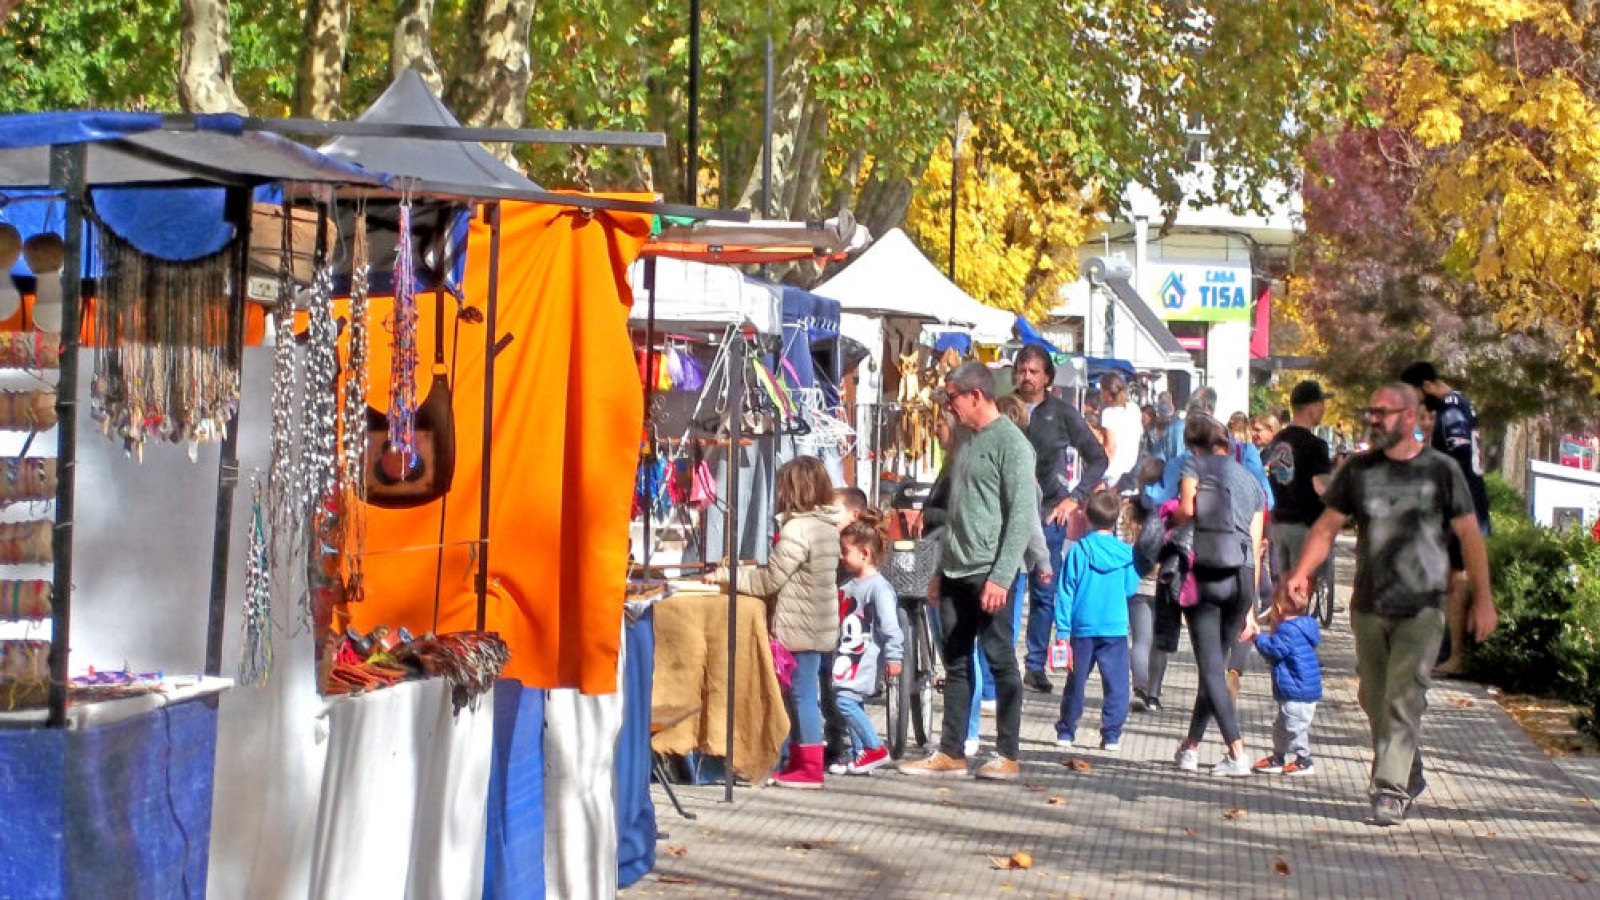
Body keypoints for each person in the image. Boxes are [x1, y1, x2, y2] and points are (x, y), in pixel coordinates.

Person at [1279, 383, 1495, 826]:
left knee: (1403, 695)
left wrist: (1484, 600)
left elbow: (1470, 536)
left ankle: (1389, 788)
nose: (1373, 420)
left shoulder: (1441, 471)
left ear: (1410, 416)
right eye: (1370, 412)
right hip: (1370, 603)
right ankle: (1408, 765)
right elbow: (1325, 527)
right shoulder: (1360, 471)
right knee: (1373, 694)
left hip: (1423, 606)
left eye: (1383, 412)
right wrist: (1301, 573)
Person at [899, 361, 1038, 781]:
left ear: (975, 395)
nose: (948, 405)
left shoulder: (1011, 444)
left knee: (1000, 660)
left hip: (990, 571)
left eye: (951, 397)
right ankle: (951, 751)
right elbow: (954, 512)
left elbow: (1019, 518)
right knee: (956, 663)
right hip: (956, 568)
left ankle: (1008, 754)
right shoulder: (961, 440)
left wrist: (1002, 575)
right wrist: (939, 570)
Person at [711, 455, 841, 789]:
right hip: (817, 622)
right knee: (802, 693)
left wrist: (727, 577)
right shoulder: (826, 526)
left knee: (800, 696)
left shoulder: (798, 529)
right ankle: (798, 761)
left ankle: (809, 768)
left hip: (800, 626)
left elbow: (771, 579)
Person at [1169, 414, 1267, 777]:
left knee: (1211, 667)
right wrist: (1252, 608)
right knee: (1214, 668)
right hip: (1241, 574)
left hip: (1207, 570)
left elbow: (1188, 508)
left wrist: (1168, 518)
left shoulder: (1194, 464)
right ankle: (1190, 747)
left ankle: (1237, 751)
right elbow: (1256, 547)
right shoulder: (1253, 483)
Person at [1011, 343, 1108, 695]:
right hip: (1008, 513)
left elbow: (1098, 458)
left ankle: (1034, 664)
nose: (1026, 377)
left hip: (1048, 513)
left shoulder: (1062, 413)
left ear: (1048, 377)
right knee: (1006, 589)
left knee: (1044, 592)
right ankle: (1002, 664)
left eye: (1033, 371)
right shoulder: (1005, 409)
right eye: (1022, 370)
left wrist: (1074, 498)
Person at [1399, 362, 1491, 678]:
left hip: (1462, 508)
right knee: (1451, 578)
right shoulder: (1461, 403)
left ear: (1425, 386)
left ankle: (1456, 655)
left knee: (1457, 578)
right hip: (1464, 505)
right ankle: (1447, 649)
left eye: (1414, 394)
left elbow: (1458, 461)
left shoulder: (1451, 410)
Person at [1051, 490, 1138, 751]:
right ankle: (1111, 734)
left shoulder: (1078, 551)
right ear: (1116, 519)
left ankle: (1066, 731)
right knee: (1117, 683)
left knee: (1076, 682)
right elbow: (1130, 588)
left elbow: (1066, 590)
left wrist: (1062, 629)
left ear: (1087, 516)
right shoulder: (1127, 554)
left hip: (1082, 626)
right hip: (1114, 626)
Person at [829, 509, 904, 775]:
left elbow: (889, 626)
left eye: (845, 551)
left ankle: (874, 747)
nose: (841, 556)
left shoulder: (879, 587)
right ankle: (858, 752)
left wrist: (894, 656)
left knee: (844, 701)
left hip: (864, 657)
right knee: (850, 700)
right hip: (847, 655)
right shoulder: (849, 584)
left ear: (865, 553)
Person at [1265, 381, 1336, 607]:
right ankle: (1292, 640)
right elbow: (1322, 488)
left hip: (1280, 522)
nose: (1324, 408)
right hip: (1305, 526)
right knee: (1298, 594)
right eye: (1321, 403)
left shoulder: (1278, 440)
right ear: (1311, 407)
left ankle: (1279, 635)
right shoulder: (1315, 445)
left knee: (1282, 591)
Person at [1122, 458, 1172, 713]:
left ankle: (1139, 688)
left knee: (1141, 640)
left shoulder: (1128, 509)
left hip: (1137, 582)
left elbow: (1122, 545)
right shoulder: (1172, 510)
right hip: (1165, 582)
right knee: (1160, 642)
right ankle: (1153, 694)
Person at [1252, 609, 1323, 777]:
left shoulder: (1288, 630)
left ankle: (1304, 760)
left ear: (1279, 611)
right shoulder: (1303, 627)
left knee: (1295, 728)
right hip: (1299, 690)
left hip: (1297, 692)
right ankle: (1278, 757)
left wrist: (1258, 637)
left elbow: (1273, 650)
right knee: (1281, 727)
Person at [1099, 372, 1143, 490]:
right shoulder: (1134, 409)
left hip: (1113, 474)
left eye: (1101, 390)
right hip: (1132, 470)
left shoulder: (1108, 414)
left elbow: (1110, 447)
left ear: (1107, 393)